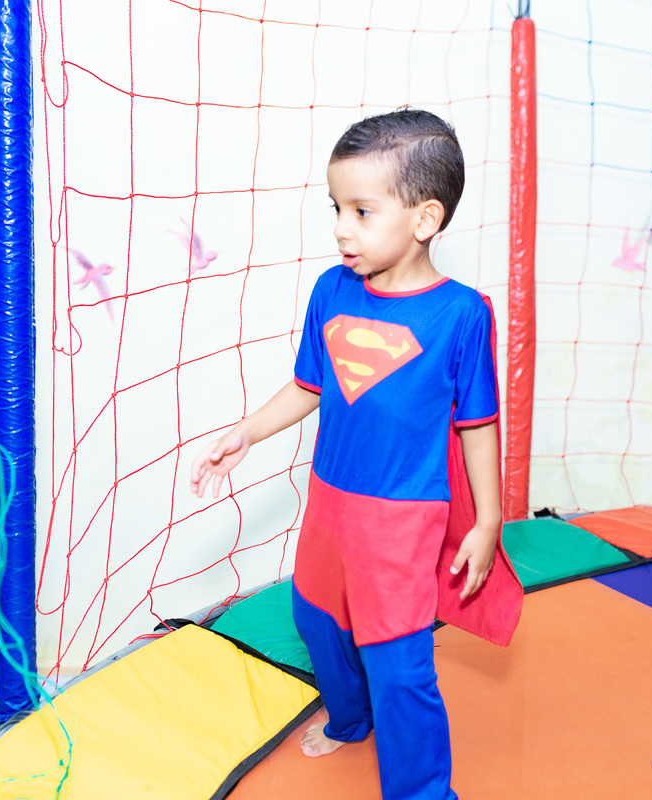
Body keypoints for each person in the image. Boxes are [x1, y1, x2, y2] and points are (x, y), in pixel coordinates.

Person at [191, 108, 520, 800]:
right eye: (337, 208)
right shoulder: (333, 290)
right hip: (331, 498)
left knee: (398, 660)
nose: (342, 228)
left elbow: (479, 425)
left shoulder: (461, 314)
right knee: (315, 618)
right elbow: (310, 384)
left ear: (424, 219)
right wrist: (248, 431)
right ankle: (350, 717)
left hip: (402, 515)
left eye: (362, 211)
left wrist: (489, 519)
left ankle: (422, 790)